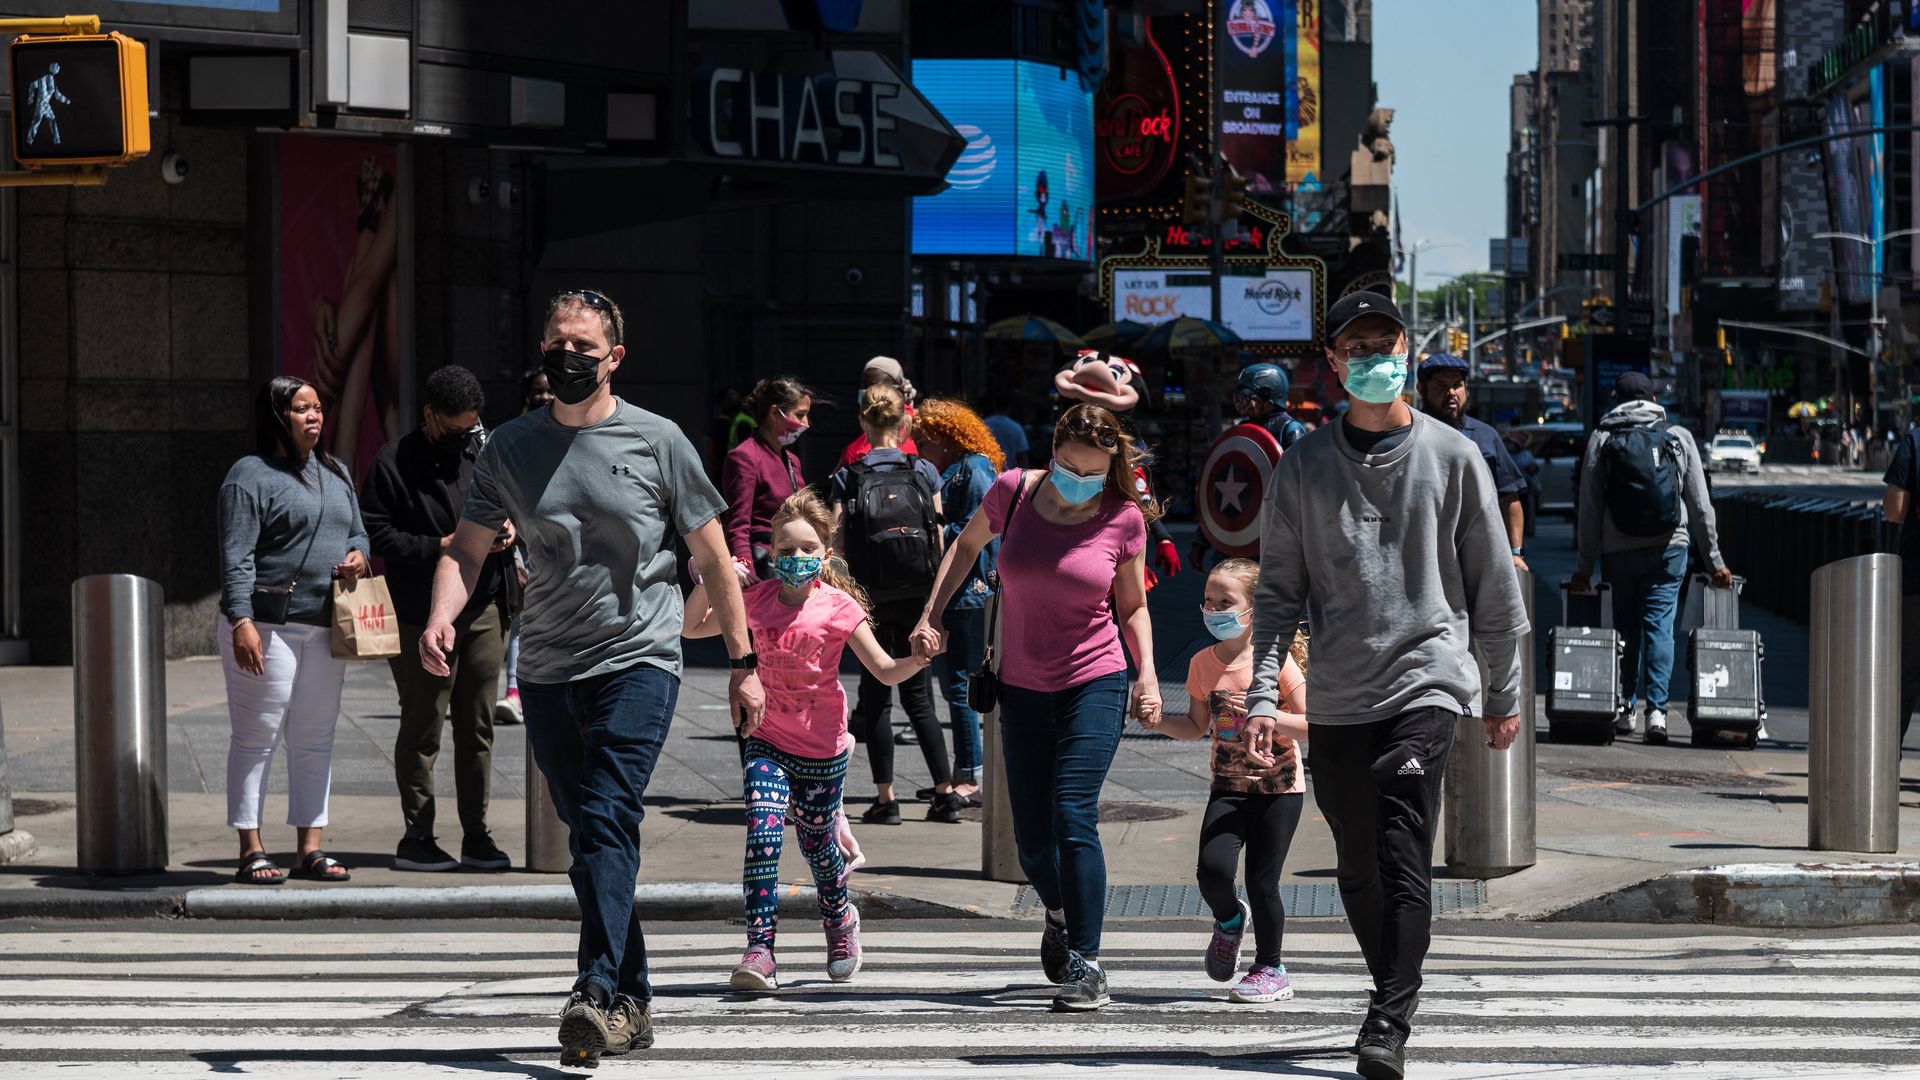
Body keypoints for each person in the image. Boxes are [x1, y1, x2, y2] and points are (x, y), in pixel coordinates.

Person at [421, 288, 764, 1068]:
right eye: (554, 342)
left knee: (609, 816)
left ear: (614, 357)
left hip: (640, 658)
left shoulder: (659, 440)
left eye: (582, 346)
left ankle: (594, 990)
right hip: (545, 668)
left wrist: (745, 665)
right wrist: (442, 615)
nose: (565, 356)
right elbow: (466, 548)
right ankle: (634, 1003)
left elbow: (711, 558)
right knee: (594, 838)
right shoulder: (508, 446)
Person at [1240, 290, 1529, 1080]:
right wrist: (1264, 694)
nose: (1374, 358)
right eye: (1356, 346)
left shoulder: (1454, 457)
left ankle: (1388, 1018)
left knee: (1402, 843)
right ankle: (1390, 984)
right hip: (1338, 692)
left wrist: (1500, 694)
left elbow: (1496, 592)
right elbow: (1276, 597)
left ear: (1407, 349)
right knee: (1357, 864)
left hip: (1427, 679)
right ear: (1332, 364)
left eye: (1386, 342)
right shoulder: (1301, 467)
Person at [912, 402, 1162, 1013]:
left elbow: (1132, 606)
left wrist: (1148, 674)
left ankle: (1089, 961)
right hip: (1021, 683)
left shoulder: (1124, 517)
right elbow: (965, 549)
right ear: (1053, 454)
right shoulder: (1013, 492)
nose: (1082, 484)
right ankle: (1056, 911)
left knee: (1073, 814)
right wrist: (931, 614)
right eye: (1071, 469)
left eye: (1095, 474)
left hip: (1094, 679)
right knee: (1029, 841)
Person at [685, 489, 930, 990]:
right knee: (764, 833)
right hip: (766, 739)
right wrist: (718, 577)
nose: (795, 559)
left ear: (825, 554)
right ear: (770, 554)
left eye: (806, 549)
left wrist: (920, 659)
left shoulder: (839, 607)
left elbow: (883, 671)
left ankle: (840, 922)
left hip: (822, 750)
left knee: (818, 847)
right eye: (785, 550)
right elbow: (692, 627)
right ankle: (760, 951)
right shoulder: (753, 601)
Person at [359, 364, 513, 873]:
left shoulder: (481, 447)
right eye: (454, 428)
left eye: (471, 426)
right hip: (419, 613)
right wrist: (439, 547)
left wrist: (511, 529)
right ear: (429, 415)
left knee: (478, 726)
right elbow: (376, 533)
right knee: (422, 725)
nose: (463, 437)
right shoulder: (392, 462)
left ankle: (477, 835)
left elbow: (511, 501)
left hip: (486, 603)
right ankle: (417, 836)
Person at [217, 376, 370, 885]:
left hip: (325, 623)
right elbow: (236, 556)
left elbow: (358, 529)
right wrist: (241, 621)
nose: (315, 416)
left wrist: (358, 555)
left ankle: (311, 847)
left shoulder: (336, 470)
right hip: (266, 624)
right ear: (278, 416)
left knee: (315, 738)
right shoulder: (250, 475)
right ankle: (251, 847)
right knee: (257, 737)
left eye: (318, 408)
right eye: (302, 408)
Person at [1141, 558, 1308, 1005]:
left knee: (1262, 881)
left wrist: (1266, 713)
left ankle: (1271, 968)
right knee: (1212, 871)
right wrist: (1158, 724)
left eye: (1225, 602)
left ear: (1252, 609)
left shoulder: (1276, 661)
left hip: (1279, 789)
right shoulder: (1201, 663)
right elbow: (1197, 726)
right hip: (1228, 786)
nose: (1213, 609)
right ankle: (1231, 921)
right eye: (1209, 600)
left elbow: (1314, 725)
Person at [1572, 371, 1733, 744]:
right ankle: (1656, 712)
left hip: (1618, 548)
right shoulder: (1678, 438)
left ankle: (1625, 706)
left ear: (1617, 399)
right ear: (1653, 398)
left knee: (1624, 630)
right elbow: (1700, 505)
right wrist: (1715, 561)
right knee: (1659, 628)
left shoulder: (1602, 438)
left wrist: (1584, 567)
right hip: (1669, 547)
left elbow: (1590, 509)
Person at [829, 384, 961, 824]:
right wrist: (933, 604)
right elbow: (939, 539)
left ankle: (885, 800)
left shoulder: (849, 475)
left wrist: (846, 594)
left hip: (870, 595)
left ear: (863, 423)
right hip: (917, 593)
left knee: (876, 695)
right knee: (920, 697)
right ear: (903, 424)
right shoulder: (923, 471)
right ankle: (945, 793)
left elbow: (837, 541)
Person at [904, 398, 1007, 801]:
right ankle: (966, 769)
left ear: (946, 440)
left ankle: (969, 773)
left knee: (960, 684)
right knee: (956, 683)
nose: (921, 451)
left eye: (925, 443)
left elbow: (977, 533)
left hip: (970, 590)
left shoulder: (973, 468)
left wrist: (931, 531)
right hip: (966, 589)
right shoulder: (968, 467)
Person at [1188, 361, 1313, 570]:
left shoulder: (1290, 430)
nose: (1241, 400)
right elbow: (1216, 495)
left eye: (1248, 394)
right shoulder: (1239, 429)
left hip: (1274, 542)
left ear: (1267, 394)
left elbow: (1301, 489)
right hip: (1233, 537)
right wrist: (1202, 540)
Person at [1415, 353, 1530, 571]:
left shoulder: (1485, 436)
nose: (1451, 393)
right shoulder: (1412, 432)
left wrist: (1515, 553)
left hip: (1480, 556)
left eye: (1457, 385)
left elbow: (1509, 497)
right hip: (1426, 556)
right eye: (1440, 385)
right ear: (1422, 389)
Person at [494, 367, 556, 728]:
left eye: (549, 390)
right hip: (523, 543)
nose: (544, 396)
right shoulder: (514, 438)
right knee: (522, 616)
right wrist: (514, 554)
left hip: (558, 541)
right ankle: (515, 691)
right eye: (537, 390)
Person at [723, 376, 814, 580]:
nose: (806, 423)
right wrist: (747, 573)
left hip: (797, 566)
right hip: (766, 568)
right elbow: (738, 525)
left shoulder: (792, 461)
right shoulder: (745, 457)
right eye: (800, 415)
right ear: (775, 412)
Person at [1880, 418, 1920, 742]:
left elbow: (1894, 510)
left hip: (1916, 581)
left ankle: (1886, 761)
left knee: (1904, 676)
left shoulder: (1914, 443)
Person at [837, 356, 920, 468]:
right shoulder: (854, 450)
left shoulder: (921, 434)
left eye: (874, 386)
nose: (867, 392)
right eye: (863, 386)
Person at [982, 390, 1031, 468]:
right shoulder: (1016, 427)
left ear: (994, 405)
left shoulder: (983, 425)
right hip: (1010, 475)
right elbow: (1023, 457)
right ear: (1009, 406)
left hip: (987, 473)